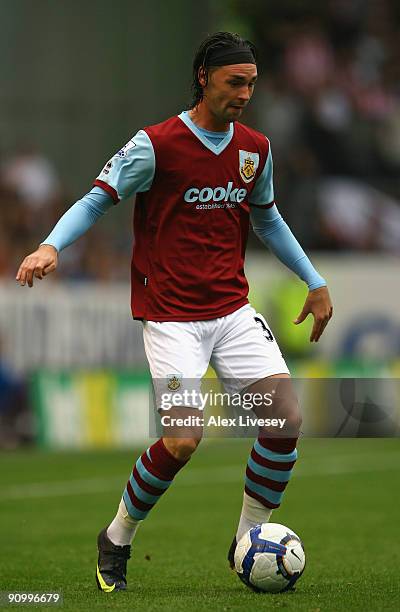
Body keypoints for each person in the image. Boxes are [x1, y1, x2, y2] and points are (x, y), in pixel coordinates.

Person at [16, 32, 333, 593]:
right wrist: (50, 246)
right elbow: (97, 197)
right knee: (184, 440)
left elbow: (268, 220)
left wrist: (313, 279)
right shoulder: (155, 145)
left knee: (284, 419)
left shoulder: (255, 149)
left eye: (252, 84)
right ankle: (116, 538)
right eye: (235, 82)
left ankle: (247, 540)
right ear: (204, 78)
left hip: (232, 312)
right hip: (172, 320)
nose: (244, 94)